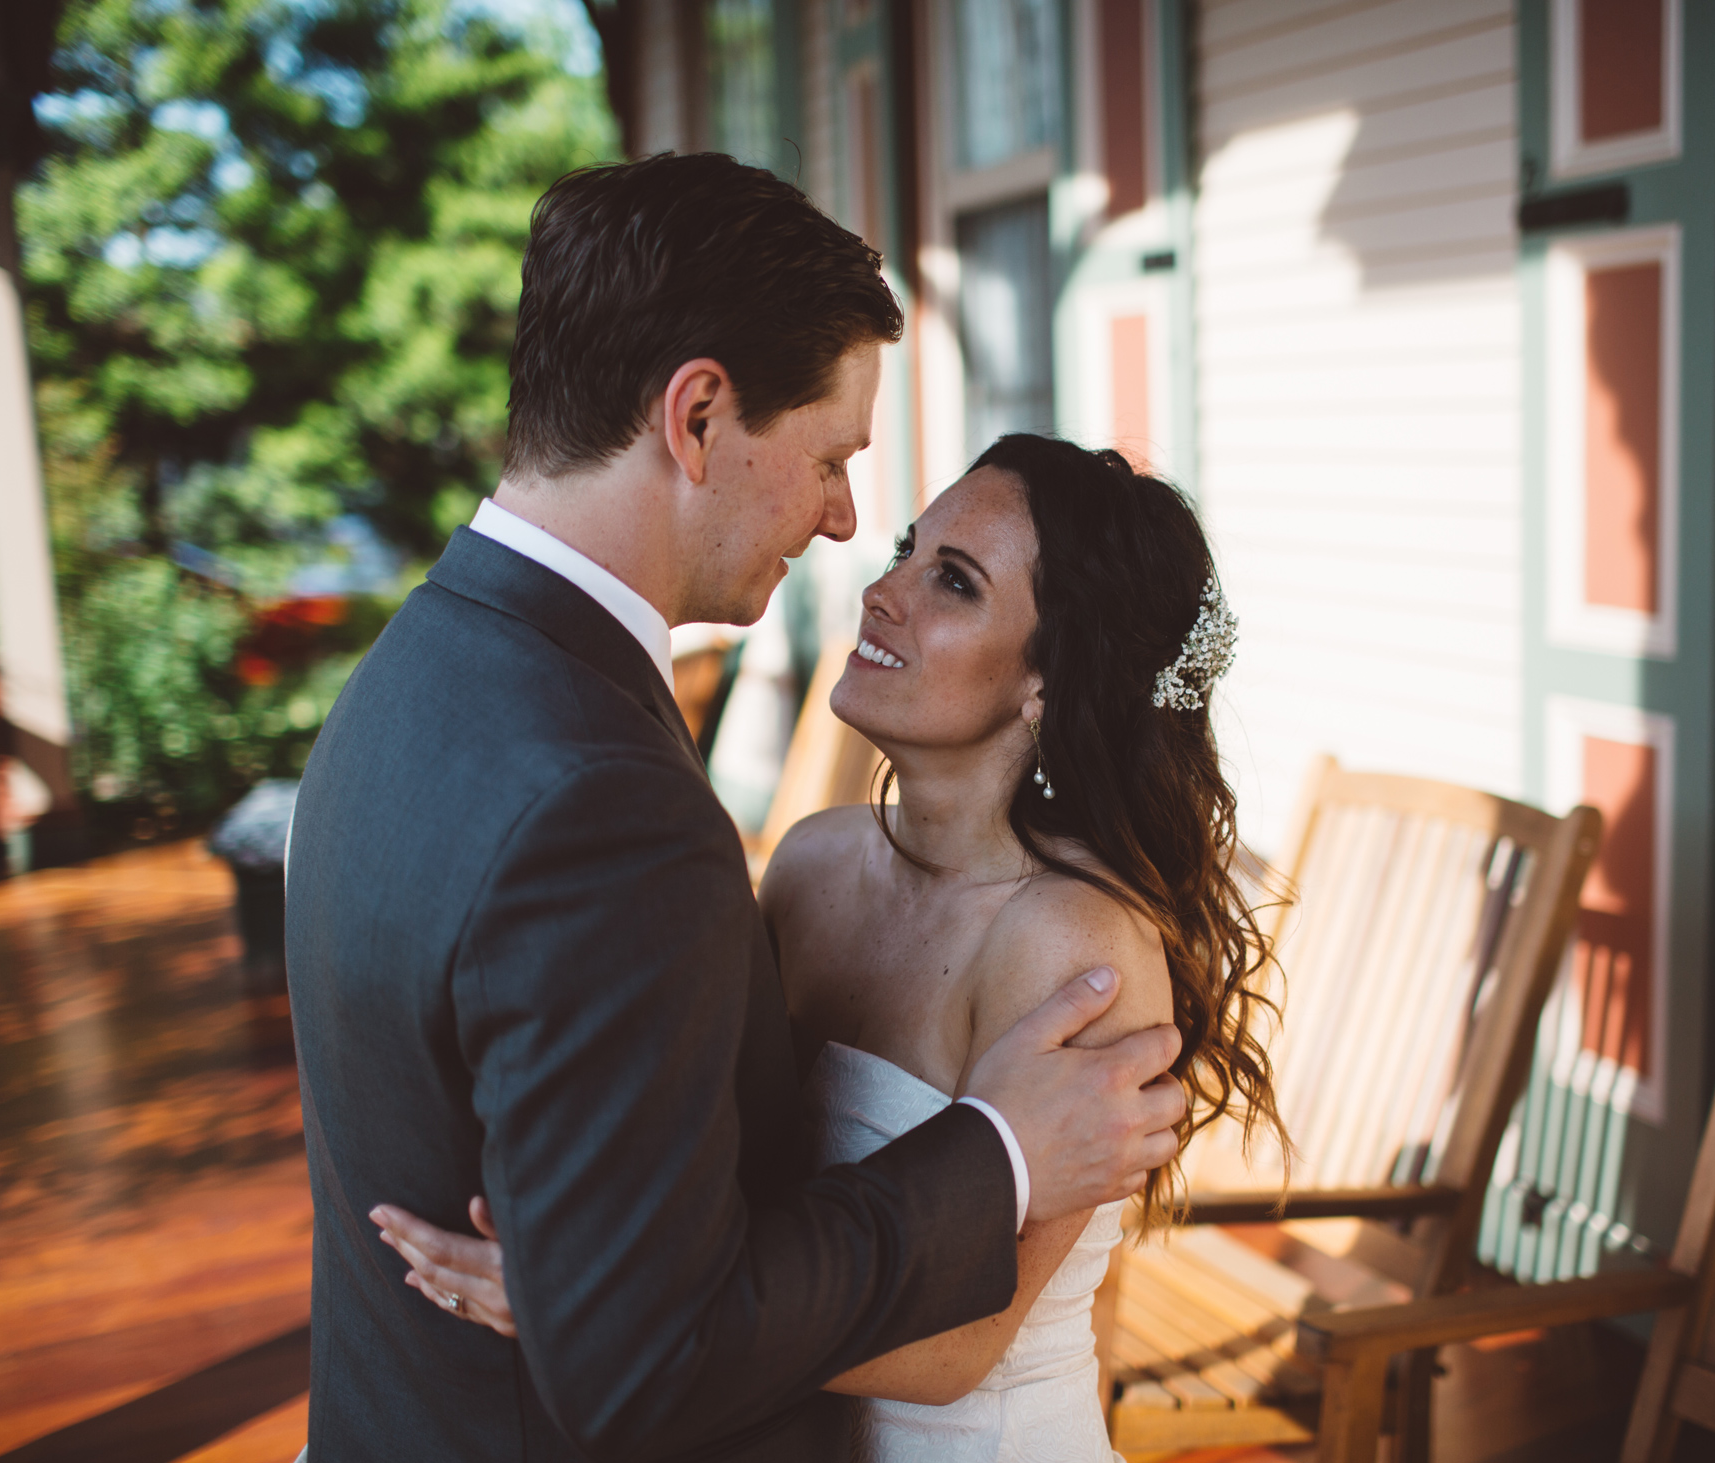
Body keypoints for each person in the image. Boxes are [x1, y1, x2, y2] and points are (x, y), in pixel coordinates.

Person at [284, 155, 1192, 1463]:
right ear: (697, 415)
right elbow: (651, 1345)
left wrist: (578, 1295)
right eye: (830, 457)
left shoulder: (418, 670)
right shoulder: (607, 804)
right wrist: (996, 1148)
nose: (841, 524)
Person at [377, 434, 1288, 1462]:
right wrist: (588, 1251)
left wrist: (604, 1318)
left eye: (952, 581)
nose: (881, 590)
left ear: (1048, 679)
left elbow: (958, 1349)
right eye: (907, 548)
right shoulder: (812, 862)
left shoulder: (1075, 941)